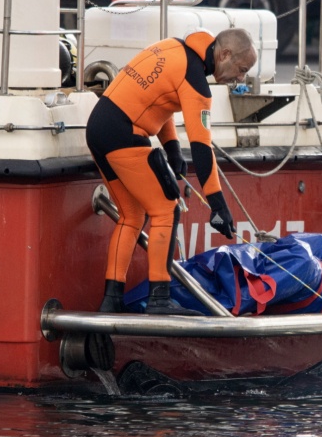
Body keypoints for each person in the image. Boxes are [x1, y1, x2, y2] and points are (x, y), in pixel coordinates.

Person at [86, 28, 258, 315]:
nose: (240, 79)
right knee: (167, 209)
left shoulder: (173, 49)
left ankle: (111, 299)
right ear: (225, 54)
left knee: (132, 215)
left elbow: (158, 100)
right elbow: (203, 148)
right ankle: (159, 299)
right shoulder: (196, 83)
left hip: (99, 127)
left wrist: (172, 149)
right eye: (241, 70)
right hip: (123, 134)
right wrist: (217, 204)